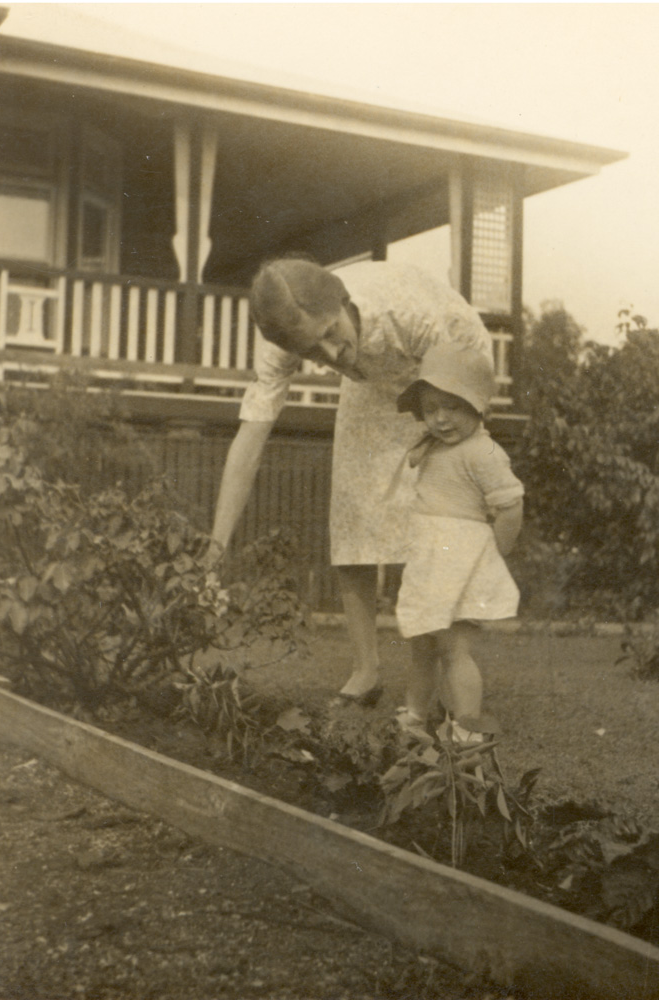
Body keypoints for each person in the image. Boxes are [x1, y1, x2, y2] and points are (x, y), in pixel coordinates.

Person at [207, 256, 494, 702]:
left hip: (451, 367)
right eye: (310, 352)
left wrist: (435, 444)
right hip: (373, 379)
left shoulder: (408, 313)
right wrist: (215, 549)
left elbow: (461, 382)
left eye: (328, 335)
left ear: (342, 301)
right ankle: (366, 672)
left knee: (428, 525)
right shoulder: (288, 341)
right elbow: (251, 434)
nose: (328, 357)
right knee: (353, 516)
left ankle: (431, 687)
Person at [391, 343, 524, 743]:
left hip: (459, 561)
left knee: (452, 647)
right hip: (430, 558)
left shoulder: (483, 451)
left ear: (477, 406)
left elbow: (510, 507)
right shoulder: (433, 446)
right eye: (431, 408)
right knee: (421, 642)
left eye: (452, 406)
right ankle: (416, 715)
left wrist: (491, 558)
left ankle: (467, 725)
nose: (440, 418)